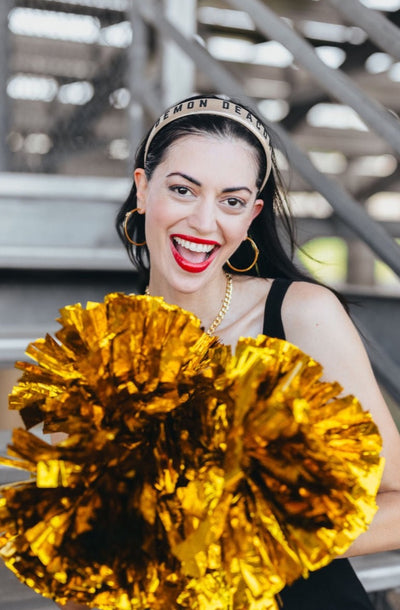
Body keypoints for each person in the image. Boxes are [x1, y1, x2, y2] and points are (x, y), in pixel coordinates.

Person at [59, 94, 400, 609]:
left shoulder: (299, 314)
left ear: (250, 217)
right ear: (143, 189)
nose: (203, 221)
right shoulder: (100, 346)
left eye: (231, 201)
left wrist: (250, 538)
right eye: (182, 190)